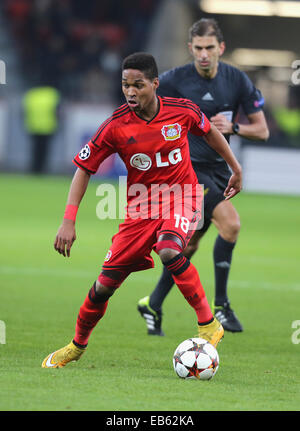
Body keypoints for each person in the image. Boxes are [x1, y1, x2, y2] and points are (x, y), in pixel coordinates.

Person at [42, 52, 242, 368]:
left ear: (154, 84)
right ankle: (76, 346)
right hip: (140, 207)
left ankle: (208, 323)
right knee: (103, 287)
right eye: (125, 85)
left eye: (138, 85)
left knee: (168, 248)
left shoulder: (182, 111)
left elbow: (210, 133)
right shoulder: (115, 125)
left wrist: (235, 167)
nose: (131, 92)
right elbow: (84, 169)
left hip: (183, 195)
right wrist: (68, 221)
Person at [137, 18, 269, 335]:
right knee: (231, 224)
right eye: (198, 48)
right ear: (190, 49)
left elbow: (261, 130)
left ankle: (152, 304)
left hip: (219, 170)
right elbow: (140, 109)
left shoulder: (236, 79)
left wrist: (234, 127)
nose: (204, 54)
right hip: (187, 171)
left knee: (189, 244)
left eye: (210, 48)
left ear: (221, 48)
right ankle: (221, 306)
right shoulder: (172, 81)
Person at [22, 85, 61, 174]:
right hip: (48, 127)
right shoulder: (52, 94)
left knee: (35, 150)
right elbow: (57, 111)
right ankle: (42, 169)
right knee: (45, 150)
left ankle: (34, 168)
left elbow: (24, 111)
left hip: (33, 126)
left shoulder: (31, 94)